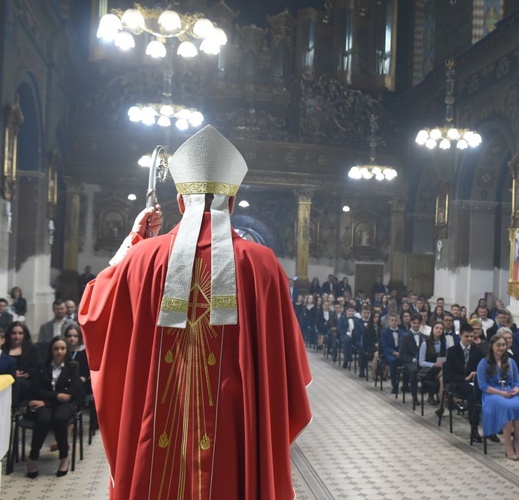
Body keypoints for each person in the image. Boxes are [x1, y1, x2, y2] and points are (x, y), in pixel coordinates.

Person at [79, 125, 311, 499]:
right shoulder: (262, 264)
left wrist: (133, 240)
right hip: (235, 424)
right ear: (231, 201)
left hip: (156, 426)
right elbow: (285, 363)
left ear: (180, 201)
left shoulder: (143, 257)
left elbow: (92, 310)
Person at [26, 335, 82, 478]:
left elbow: (71, 392)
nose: (59, 351)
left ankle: (64, 458)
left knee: (59, 419)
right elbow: (36, 389)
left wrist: (49, 400)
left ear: (66, 349)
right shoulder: (43, 366)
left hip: (66, 403)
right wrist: (54, 397)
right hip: (46, 402)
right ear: (51, 350)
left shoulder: (73, 366)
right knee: (43, 419)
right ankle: (33, 457)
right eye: (56, 348)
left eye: (62, 348)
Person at [477, 333, 519, 460]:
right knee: (507, 407)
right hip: (492, 394)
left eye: (503, 345)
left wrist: (515, 390)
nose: (501, 348)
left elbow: (517, 382)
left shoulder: (511, 362)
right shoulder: (483, 363)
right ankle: (508, 446)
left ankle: (517, 443)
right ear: (491, 346)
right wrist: (500, 393)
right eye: (498, 345)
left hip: (508, 391)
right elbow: (483, 385)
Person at [444, 323, 484, 443]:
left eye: (471, 336)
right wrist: (464, 378)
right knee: (472, 393)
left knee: (482, 392)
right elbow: (448, 375)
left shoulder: (477, 351)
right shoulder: (452, 351)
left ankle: (489, 427)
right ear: (461, 336)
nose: (469, 339)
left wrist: (474, 374)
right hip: (458, 383)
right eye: (467, 336)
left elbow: (480, 369)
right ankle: (474, 426)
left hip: (473, 381)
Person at [2, 321, 40, 403]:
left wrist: (20, 373)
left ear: (24, 335)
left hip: (25, 381)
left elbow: (36, 367)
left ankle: (13, 408)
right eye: (14, 333)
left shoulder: (32, 349)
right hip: (5, 379)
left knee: (16, 382)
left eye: (20, 333)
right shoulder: (3, 349)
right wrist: (12, 373)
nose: (17, 336)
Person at [418, 322, 448, 416]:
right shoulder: (425, 343)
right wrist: (433, 364)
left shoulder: (444, 344)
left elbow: (447, 358)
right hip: (429, 370)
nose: (439, 330)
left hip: (441, 370)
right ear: (432, 330)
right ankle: (455, 401)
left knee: (443, 379)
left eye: (441, 329)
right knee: (446, 375)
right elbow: (421, 362)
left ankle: (441, 408)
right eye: (436, 328)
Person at [381, 313, 405, 394]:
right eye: (392, 320)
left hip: (400, 353)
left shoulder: (403, 332)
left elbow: (404, 345)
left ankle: (406, 384)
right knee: (393, 361)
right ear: (389, 322)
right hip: (389, 353)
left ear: (398, 322)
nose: (394, 322)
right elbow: (385, 346)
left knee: (408, 362)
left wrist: (400, 353)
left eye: (395, 320)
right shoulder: (384, 332)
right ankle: (394, 385)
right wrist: (394, 352)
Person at [338, 303, 364, 370]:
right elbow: (340, 329)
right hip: (345, 335)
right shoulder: (342, 318)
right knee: (347, 341)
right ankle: (346, 360)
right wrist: (347, 333)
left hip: (355, 337)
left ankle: (361, 362)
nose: (351, 312)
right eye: (349, 311)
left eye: (352, 311)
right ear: (346, 311)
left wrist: (355, 334)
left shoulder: (357, 319)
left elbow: (361, 330)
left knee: (361, 344)